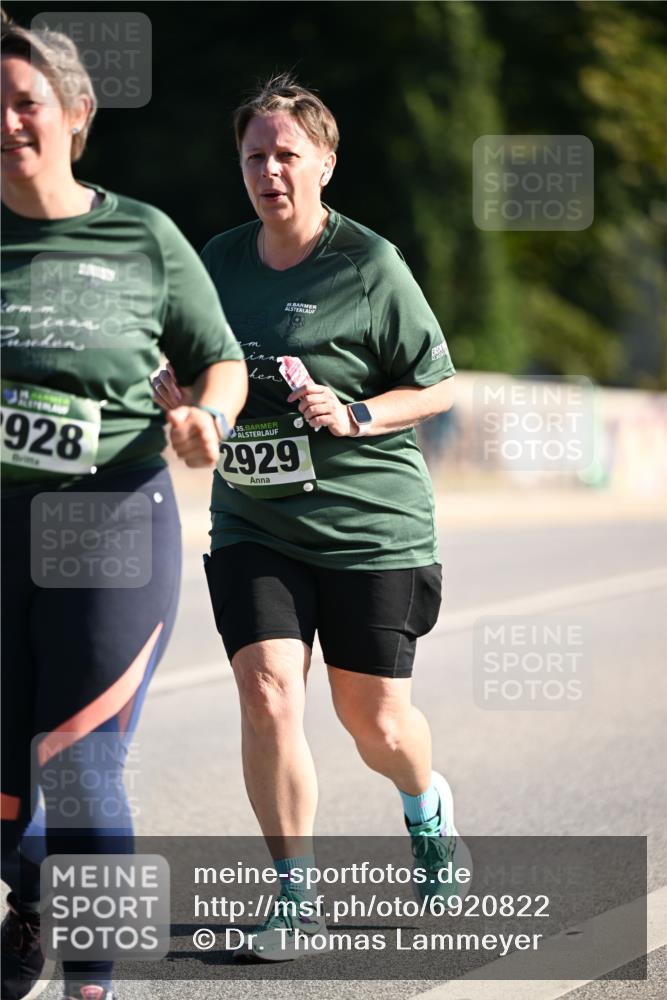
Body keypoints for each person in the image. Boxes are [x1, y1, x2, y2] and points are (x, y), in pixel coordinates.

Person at [152, 74, 470, 962]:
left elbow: (438, 383)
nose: (269, 170)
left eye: (287, 153)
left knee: (374, 724)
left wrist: (357, 413)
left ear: (325, 162)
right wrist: (178, 396)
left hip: (369, 527)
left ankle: (426, 809)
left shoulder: (369, 265)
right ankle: (296, 895)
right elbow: (188, 360)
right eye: (254, 156)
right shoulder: (217, 261)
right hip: (256, 522)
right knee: (267, 695)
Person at [0, 17, 247, 1000]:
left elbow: (217, 357)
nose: (10, 121)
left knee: (79, 764)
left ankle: (91, 985)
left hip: (111, 517)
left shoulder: (140, 234)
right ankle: (34, 899)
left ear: (74, 114)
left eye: (25, 100)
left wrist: (210, 421)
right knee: (14, 798)